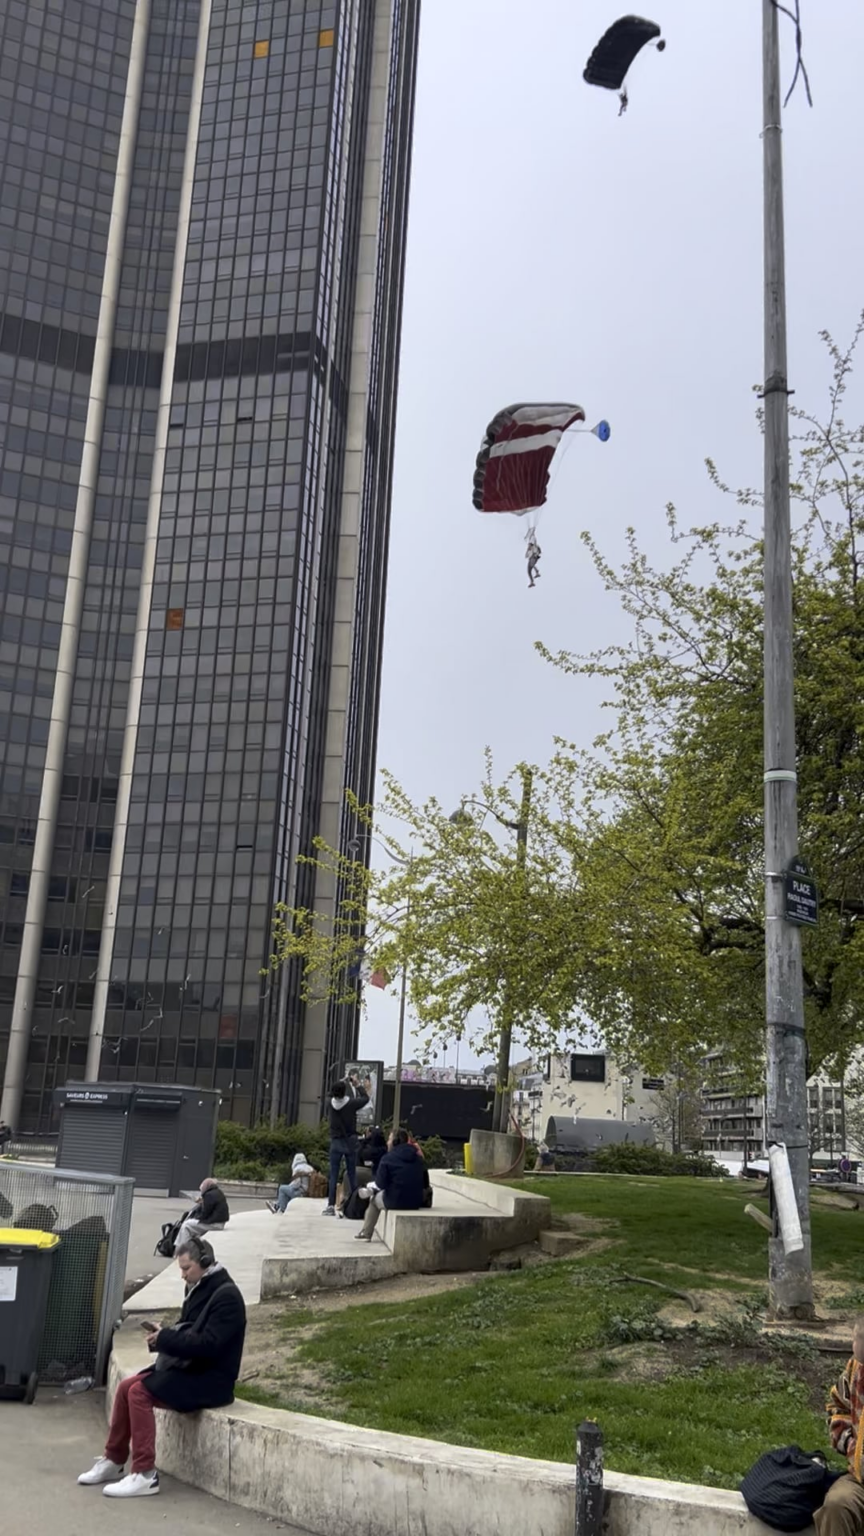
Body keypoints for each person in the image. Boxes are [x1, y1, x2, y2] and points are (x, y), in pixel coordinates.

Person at [77, 1237, 246, 1499]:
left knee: (139, 1393)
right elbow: (189, 1330)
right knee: (125, 1387)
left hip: (212, 1380)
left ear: (204, 1263)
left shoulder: (228, 1298)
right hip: (192, 1370)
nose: (182, 1275)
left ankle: (145, 1473)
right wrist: (162, 1336)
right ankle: (114, 1459)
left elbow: (208, 1345)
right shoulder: (200, 1286)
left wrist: (166, 1338)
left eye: (186, 1268)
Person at [816, 1316, 864, 1533]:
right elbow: (838, 1408)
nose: (853, 1345)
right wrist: (852, 1446)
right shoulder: (855, 1369)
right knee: (836, 1505)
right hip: (859, 1479)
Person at [355, 1129, 427, 1241]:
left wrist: (372, 1187)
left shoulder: (388, 1159)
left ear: (395, 1142)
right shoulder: (418, 1158)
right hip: (415, 1202)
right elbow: (425, 1182)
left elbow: (380, 1184)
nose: (387, 1142)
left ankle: (366, 1232)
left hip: (395, 1201)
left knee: (374, 1200)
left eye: (389, 1139)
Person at [324, 1071, 371, 1215]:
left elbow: (331, 1093)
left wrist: (341, 1081)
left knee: (333, 1174)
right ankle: (353, 1203)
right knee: (351, 1174)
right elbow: (365, 1098)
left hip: (336, 1142)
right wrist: (356, 1084)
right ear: (345, 1091)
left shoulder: (330, 1104)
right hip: (350, 1141)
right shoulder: (351, 1103)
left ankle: (331, 1205)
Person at [175, 1177, 229, 1249]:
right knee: (190, 1226)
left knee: (186, 1225)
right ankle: (185, 1248)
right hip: (220, 1222)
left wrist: (196, 1217)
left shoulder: (208, 1195)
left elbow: (204, 1214)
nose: (201, 1191)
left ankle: (180, 1249)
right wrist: (203, 1202)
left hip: (214, 1224)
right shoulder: (218, 1192)